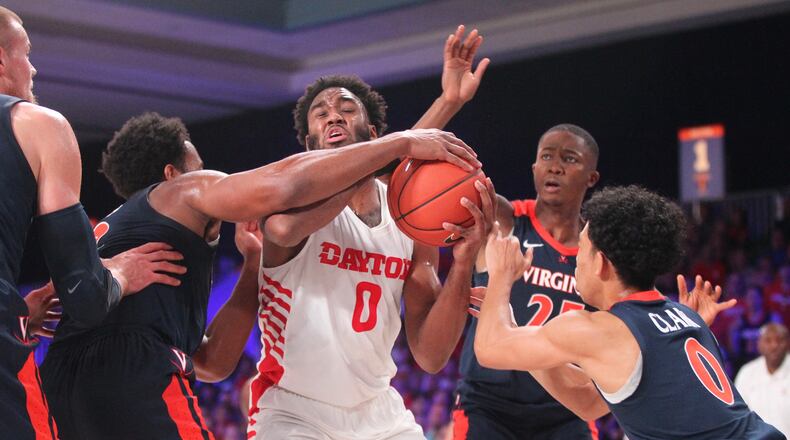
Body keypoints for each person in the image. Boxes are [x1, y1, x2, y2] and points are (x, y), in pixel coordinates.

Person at [38, 102, 477, 439]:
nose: (216, 180)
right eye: (200, 164)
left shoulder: (124, 226)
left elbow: (213, 362)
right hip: (132, 364)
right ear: (174, 173)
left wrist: (252, 265)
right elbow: (282, 188)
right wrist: (399, 144)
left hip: (62, 377)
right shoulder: (181, 192)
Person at [247, 27, 493, 440]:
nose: (334, 116)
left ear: (374, 132)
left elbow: (431, 356)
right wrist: (435, 115)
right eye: (321, 114)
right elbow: (285, 229)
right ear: (308, 145)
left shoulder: (411, 222)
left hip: (379, 412)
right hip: (292, 410)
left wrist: (464, 262)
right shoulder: (290, 200)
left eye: (346, 108)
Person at [0, 7, 185, 439]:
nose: (34, 67)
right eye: (26, 53)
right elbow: (83, 293)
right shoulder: (37, 124)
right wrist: (119, 271)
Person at [475, 185, 784, 439]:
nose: (576, 261)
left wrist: (500, 275)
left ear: (601, 263)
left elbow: (489, 350)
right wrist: (520, 336)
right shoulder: (686, 317)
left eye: (582, 249)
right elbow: (589, 404)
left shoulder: (601, 328)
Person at [453, 123, 601, 439]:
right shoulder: (503, 220)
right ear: (534, 167)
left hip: (565, 409)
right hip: (489, 405)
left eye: (570, 159)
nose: (556, 166)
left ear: (591, 177)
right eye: (546, 156)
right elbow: (452, 186)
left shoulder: (599, 251)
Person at [735, 323, 790, 436]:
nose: (774, 345)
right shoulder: (747, 372)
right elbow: (737, 414)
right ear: (759, 344)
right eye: (768, 340)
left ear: (788, 343)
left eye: (780, 340)